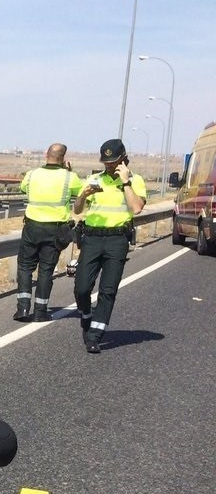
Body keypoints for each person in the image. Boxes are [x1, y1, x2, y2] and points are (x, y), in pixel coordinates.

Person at [73, 138, 147, 353]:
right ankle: (86, 317)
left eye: (113, 161)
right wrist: (83, 196)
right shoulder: (95, 179)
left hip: (117, 240)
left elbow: (136, 208)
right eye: (106, 162)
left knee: (108, 290)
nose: (109, 165)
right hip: (92, 239)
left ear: (123, 159)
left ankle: (95, 335)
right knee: (82, 287)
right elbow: (78, 210)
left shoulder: (136, 181)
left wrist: (126, 182)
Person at [13, 143, 84, 321]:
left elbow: (23, 188)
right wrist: (69, 171)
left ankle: (22, 309)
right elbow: (81, 193)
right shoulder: (70, 177)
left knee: (24, 267)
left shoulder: (32, 174)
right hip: (55, 229)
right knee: (45, 270)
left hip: (32, 227)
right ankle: (40, 311)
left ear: (46, 155)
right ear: (63, 159)